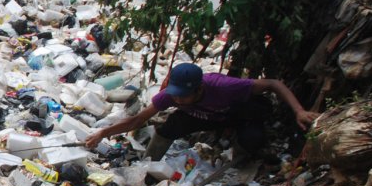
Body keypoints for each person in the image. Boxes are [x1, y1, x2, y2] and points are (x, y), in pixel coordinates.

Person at [82, 63, 319, 159]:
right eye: (175, 94)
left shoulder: (224, 87)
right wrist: (103, 133)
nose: (178, 99)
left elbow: (273, 84)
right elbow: (138, 119)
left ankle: (236, 159)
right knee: (170, 125)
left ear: (199, 89)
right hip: (205, 117)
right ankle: (150, 163)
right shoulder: (172, 96)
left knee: (253, 139)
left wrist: (299, 110)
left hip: (236, 113)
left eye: (183, 95)